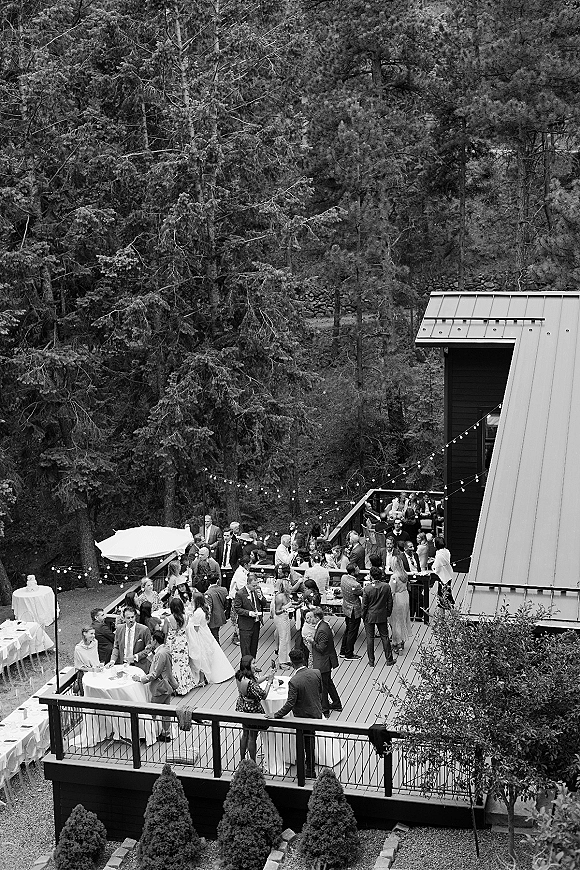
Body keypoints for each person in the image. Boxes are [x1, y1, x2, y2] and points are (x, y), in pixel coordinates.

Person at [270, 648, 323, 778]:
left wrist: (276, 715)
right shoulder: (316, 672)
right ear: (304, 659)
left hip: (302, 717)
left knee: (304, 743)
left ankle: (307, 770)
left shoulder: (294, 681)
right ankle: (310, 767)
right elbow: (320, 692)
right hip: (316, 712)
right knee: (310, 742)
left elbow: (290, 703)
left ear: (292, 664)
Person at [133, 630, 177, 742]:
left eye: (152, 640)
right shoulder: (164, 650)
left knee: (152, 712)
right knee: (165, 712)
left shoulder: (160, 654)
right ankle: (166, 734)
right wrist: (149, 653)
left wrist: (141, 679)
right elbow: (158, 664)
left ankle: (149, 735)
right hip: (166, 686)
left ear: (155, 641)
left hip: (160, 687)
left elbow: (155, 673)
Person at [187, 591, 235, 685]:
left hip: (200, 634)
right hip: (205, 631)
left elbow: (196, 628)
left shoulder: (197, 612)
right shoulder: (205, 608)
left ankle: (202, 678)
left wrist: (189, 622)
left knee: (202, 654)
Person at [235, 655, 276, 762]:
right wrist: (269, 682)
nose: (256, 665)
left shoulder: (239, 675)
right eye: (253, 663)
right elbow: (263, 695)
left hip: (242, 706)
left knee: (245, 734)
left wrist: (266, 676)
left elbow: (255, 681)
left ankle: (242, 759)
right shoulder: (250, 683)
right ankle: (253, 762)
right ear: (248, 665)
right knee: (252, 737)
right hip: (252, 710)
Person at [310, 607, 342, 716]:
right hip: (326, 661)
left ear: (317, 617)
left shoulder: (322, 629)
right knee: (328, 683)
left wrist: (312, 641)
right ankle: (337, 703)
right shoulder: (324, 625)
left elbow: (321, 648)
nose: (311, 620)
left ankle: (325, 709)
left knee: (323, 686)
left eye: (312, 618)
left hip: (323, 662)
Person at [361, 566, 395, 667]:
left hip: (369, 615)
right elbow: (390, 602)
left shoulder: (367, 589)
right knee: (385, 637)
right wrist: (388, 612)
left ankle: (371, 661)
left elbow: (364, 605)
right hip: (381, 614)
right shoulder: (386, 586)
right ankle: (389, 659)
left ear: (371, 576)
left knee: (369, 638)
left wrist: (363, 616)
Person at [163, 598, 197, 694]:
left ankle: (175, 686)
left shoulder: (168, 619)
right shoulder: (186, 617)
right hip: (182, 642)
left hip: (172, 643)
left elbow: (165, 632)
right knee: (183, 664)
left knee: (173, 665)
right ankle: (186, 684)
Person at [107, 606, 152, 671]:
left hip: (139, 665)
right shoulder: (119, 629)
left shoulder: (144, 629)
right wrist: (112, 661)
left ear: (135, 616)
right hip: (124, 664)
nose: (131, 620)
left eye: (132, 617)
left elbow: (149, 648)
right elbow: (116, 647)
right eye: (128, 618)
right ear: (124, 618)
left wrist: (135, 657)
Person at [234, 575, 265, 659]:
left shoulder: (257, 591)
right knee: (246, 649)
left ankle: (253, 665)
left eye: (256, 585)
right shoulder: (240, 593)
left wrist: (261, 597)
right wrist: (249, 613)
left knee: (254, 647)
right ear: (248, 583)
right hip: (245, 625)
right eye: (253, 586)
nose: (255, 587)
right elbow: (237, 609)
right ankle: (245, 669)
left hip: (256, 624)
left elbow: (264, 603)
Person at [339, 563, 363, 660]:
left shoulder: (343, 578)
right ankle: (349, 654)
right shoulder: (355, 584)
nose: (359, 570)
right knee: (352, 633)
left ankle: (343, 651)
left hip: (346, 607)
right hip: (354, 610)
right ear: (353, 572)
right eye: (357, 569)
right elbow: (362, 593)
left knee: (348, 630)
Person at [389, 559, 412, 653]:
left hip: (397, 599)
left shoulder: (394, 577)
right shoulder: (404, 574)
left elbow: (392, 591)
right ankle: (402, 642)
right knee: (404, 620)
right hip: (405, 597)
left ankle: (397, 645)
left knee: (396, 622)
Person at [229, 553, 251, 645]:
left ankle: (237, 636)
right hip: (237, 600)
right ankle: (236, 637)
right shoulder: (240, 574)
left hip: (239, 598)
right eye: (250, 563)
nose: (251, 565)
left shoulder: (243, 572)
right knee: (237, 619)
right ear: (245, 565)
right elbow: (243, 588)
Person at [271, 578, 293, 667]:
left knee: (287, 637)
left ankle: (287, 658)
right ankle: (282, 661)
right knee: (283, 638)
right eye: (289, 584)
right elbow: (277, 611)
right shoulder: (279, 597)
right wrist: (285, 610)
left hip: (286, 618)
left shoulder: (286, 595)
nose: (291, 586)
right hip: (280, 618)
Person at [429, 537, 454, 615]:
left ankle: (452, 615)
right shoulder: (446, 551)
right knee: (445, 595)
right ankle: (444, 617)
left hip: (443, 578)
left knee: (443, 596)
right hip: (448, 575)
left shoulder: (439, 555)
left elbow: (436, 567)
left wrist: (432, 565)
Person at [73, 626, 100, 692]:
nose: (93, 635)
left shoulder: (95, 643)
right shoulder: (78, 649)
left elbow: (95, 658)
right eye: (91, 633)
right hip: (84, 675)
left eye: (94, 633)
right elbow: (78, 666)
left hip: (96, 673)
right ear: (84, 633)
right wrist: (92, 669)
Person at [205, 573, 229, 644]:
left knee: (214, 636)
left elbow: (208, 608)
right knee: (216, 634)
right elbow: (226, 603)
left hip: (212, 618)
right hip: (221, 615)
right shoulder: (224, 590)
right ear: (218, 580)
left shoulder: (208, 593)